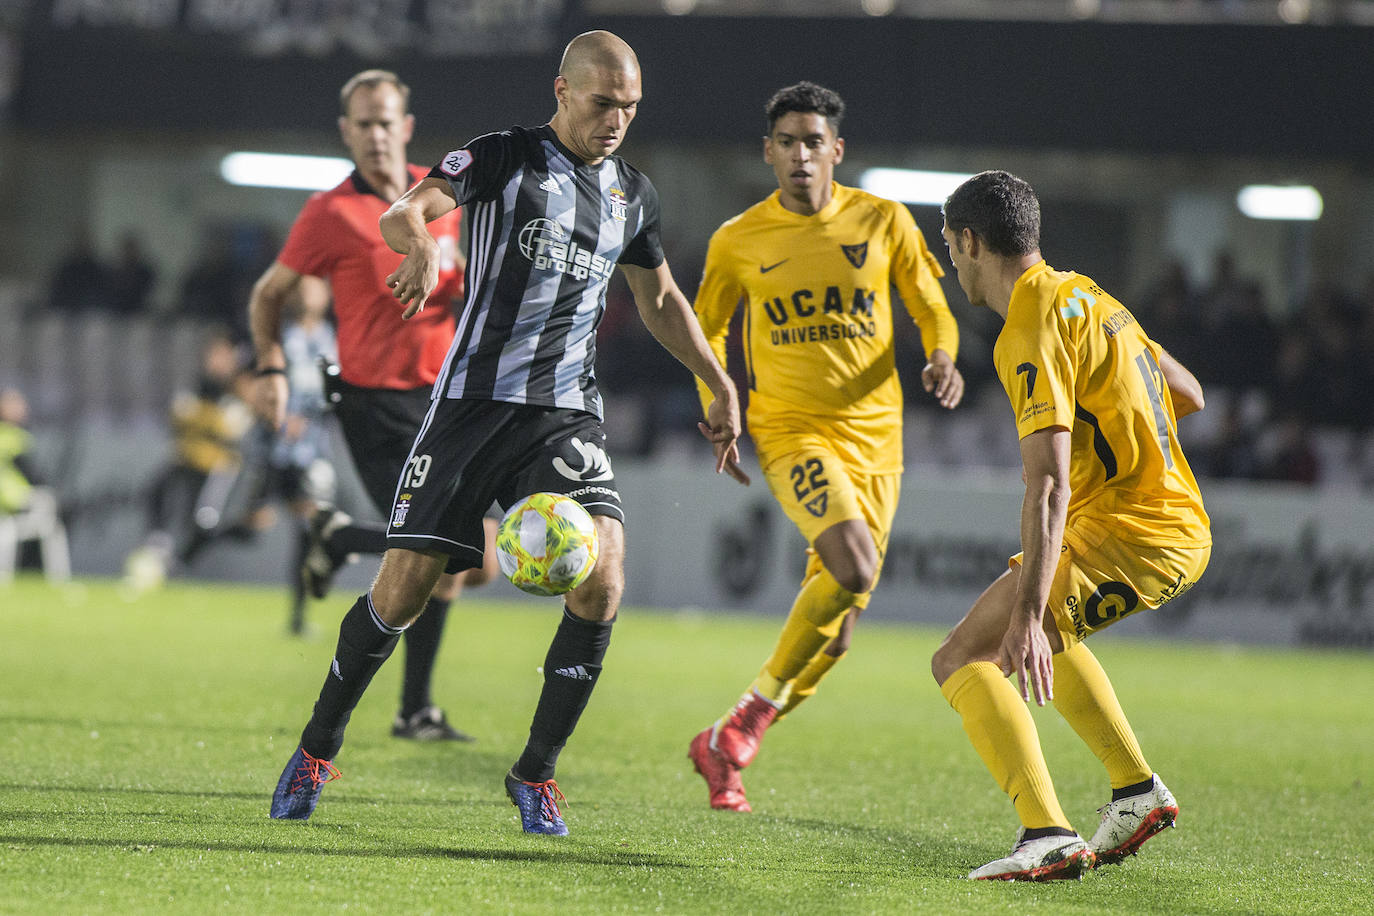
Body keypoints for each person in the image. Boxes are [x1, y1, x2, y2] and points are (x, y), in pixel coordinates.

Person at [268, 31, 744, 836]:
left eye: (629, 107)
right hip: (470, 406)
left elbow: (661, 301)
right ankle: (316, 747)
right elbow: (403, 211)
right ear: (562, 91)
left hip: (563, 411)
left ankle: (535, 773)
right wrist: (419, 242)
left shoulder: (634, 194)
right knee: (402, 593)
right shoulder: (501, 156)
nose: (616, 120)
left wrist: (717, 377)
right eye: (602, 104)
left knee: (603, 580)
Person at [685, 82, 964, 813]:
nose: (802, 154)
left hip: (879, 441)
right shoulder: (738, 239)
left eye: (815, 141)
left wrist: (941, 354)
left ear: (837, 151)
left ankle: (723, 742)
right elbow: (705, 334)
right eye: (788, 141)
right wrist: (717, 400)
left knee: (835, 636)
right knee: (855, 563)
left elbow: (930, 304)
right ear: (768, 152)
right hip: (790, 431)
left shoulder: (884, 220)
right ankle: (747, 722)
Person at [931, 171, 1211, 881]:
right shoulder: (1087, 294)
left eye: (950, 248)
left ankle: (1046, 835)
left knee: (967, 657)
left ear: (970, 240)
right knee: (1033, 623)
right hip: (1161, 522)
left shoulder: (1025, 329)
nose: (951, 264)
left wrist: (1027, 613)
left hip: (1137, 535)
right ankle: (1136, 791)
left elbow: (1048, 480)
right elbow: (1188, 393)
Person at [249, 69, 488, 743]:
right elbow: (269, 294)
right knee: (439, 551)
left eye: (388, 121)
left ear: (406, 127)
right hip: (373, 404)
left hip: (444, 400)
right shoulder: (329, 213)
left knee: (476, 562)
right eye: (364, 123)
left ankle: (337, 538)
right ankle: (415, 711)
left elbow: (463, 281)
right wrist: (269, 364)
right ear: (346, 133)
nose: (377, 134)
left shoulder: (441, 196)